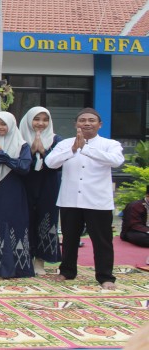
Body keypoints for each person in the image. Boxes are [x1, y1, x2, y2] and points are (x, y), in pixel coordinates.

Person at [45, 107, 124, 289]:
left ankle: (105, 276)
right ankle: (67, 271)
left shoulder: (110, 144)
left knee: (102, 241)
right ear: (76, 124)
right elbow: (50, 163)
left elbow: (116, 161)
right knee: (69, 238)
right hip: (70, 199)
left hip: (98, 201)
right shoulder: (65, 144)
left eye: (91, 120)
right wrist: (73, 150)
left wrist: (86, 149)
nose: (87, 123)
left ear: (99, 124)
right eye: (82, 120)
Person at [0, 111, 34, 278]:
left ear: (11, 125)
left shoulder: (22, 145)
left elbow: (24, 167)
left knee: (10, 223)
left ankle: (13, 267)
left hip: (12, 189)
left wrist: (4, 156)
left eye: (3, 124)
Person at [19, 107, 63, 275]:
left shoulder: (56, 140)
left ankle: (40, 260)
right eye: (36, 119)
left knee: (47, 219)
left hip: (48, 184)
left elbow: (59, 164)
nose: (41, 123)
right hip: (24, 184)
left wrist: (44, 151)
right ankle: (25, 258)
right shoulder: (19, 139)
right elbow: (17, 164)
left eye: (45, 120)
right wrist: (30, 151)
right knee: (25, 219)